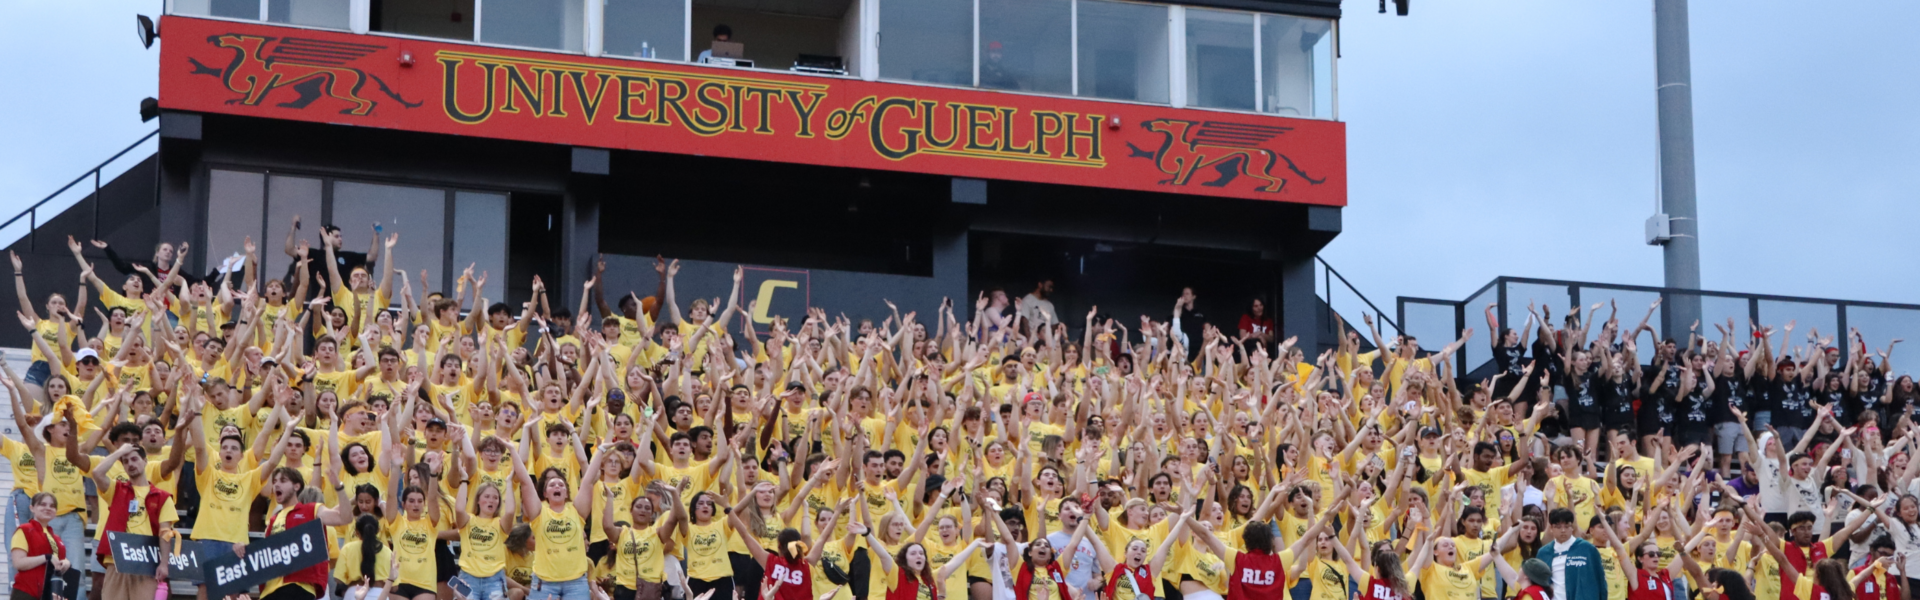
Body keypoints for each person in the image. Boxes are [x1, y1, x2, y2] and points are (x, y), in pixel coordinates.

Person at [1535, 508, 1607, 600]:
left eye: (1567, 526)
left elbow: (1601, 580)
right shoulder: (1544, 553)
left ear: (1572, 527)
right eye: (1558, 527)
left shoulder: (1587, 549)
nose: (1563, 530)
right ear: (1552, 528)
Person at [10, 493, 71, 600]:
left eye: (52, 506)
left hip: (50, 594)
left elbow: (56, 561)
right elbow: (18, 563)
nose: (48, 508)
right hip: (26, 593)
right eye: (43, 504)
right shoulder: (24, 530)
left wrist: (66, 562)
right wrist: (46, 558)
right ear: (32, 508)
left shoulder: (56, 538)